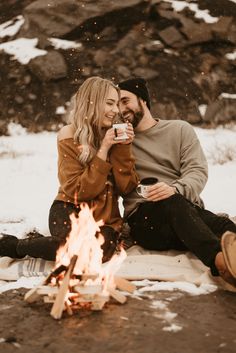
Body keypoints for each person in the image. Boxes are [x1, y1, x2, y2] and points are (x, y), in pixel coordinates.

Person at [0, 76, 138, 262]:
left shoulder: (116, 135)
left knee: (96, 253)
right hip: (68, 208)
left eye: (117, 104)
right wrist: (103, 149)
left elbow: (127, 187)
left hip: (106, 219)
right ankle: (16, 246)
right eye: (109, 103)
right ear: (92, 102)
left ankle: (42, 243)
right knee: (71, 246)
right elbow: (78, 192)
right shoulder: (69, 135)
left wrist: (124, 146)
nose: (115, 110)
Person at [118, 77, 236, 287]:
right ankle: (221, 265)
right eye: (116, 103)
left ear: (142, 100)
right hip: (145, 220)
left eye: (125, 101)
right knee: (174, 204)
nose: (121, 108)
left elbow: (197, 170)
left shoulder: (179, 129)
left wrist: (175, 188)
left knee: (226, 227)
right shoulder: (119, 142)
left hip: (186, 211)